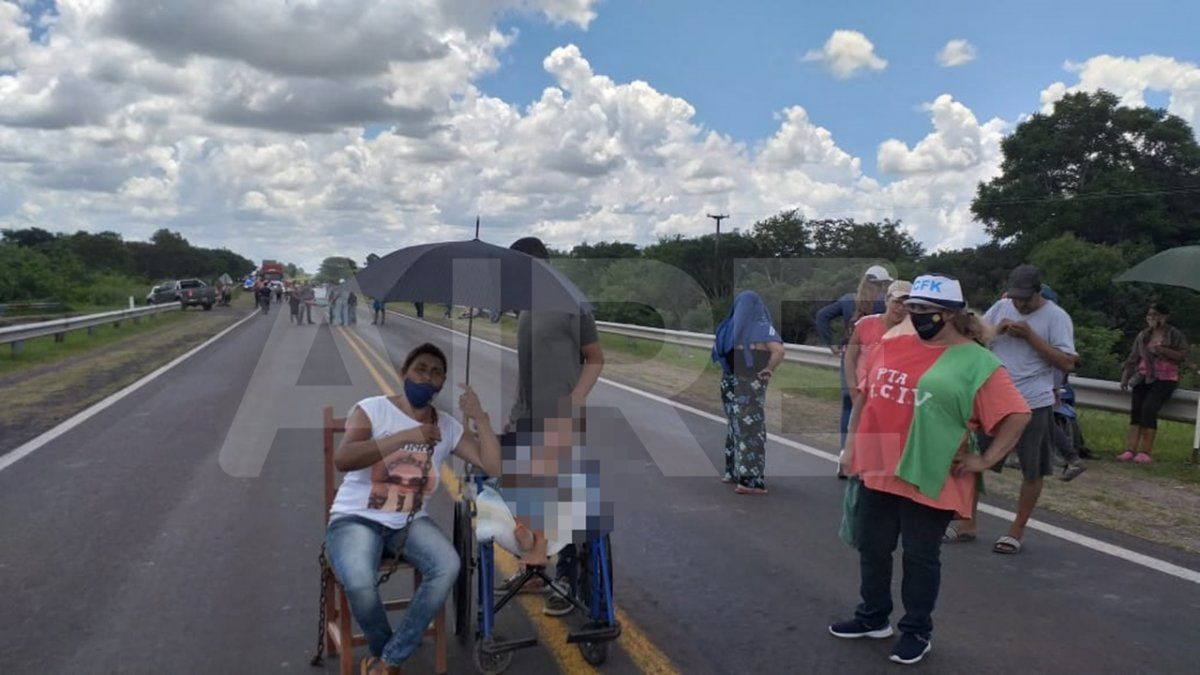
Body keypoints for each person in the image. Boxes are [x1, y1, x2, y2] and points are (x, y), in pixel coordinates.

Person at [833, 273, 1030, 666]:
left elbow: (1017, 414)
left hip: (931, 472)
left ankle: (916, 631)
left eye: (926, 309)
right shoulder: (891, 344)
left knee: (920, 556)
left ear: (952, 314)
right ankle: (873, 616)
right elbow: (866, 400)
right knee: (872, 546)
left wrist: (984, 460)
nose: (916, 315)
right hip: (879, 464)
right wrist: (851, 449)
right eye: (912, 307)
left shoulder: (978, 362)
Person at [326, 343, 501, 675]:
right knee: (360, 581)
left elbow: (492, 465)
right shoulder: (371, 409)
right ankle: (387, 656)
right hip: (355, 518)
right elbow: (343, 459)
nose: (427, 377)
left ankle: (387, 661)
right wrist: (406, 436)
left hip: (409, 523)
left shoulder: (447, 426)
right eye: (420, 369)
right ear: (404, 372)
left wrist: (480, 418)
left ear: (442, 383)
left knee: (448, 564)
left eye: (436, 373)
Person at [496, 235, 606, 617]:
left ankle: (568, 579)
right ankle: (534, 571)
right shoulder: (525, 308)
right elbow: (526, 368)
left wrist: (575, 399)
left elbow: (595, 358)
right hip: (526, 419)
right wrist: (515, 412)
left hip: (560, 420)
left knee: (564, 503)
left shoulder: (571, 302)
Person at [945, 265, 1079, 553]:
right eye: (1015, 297)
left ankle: (1016, 530)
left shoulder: (1056, 317)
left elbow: (1068, 362)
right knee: (970, 459)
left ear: (1038, 292)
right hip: (993, 398)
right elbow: (978, 338)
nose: (1019, 304)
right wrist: (997, 330)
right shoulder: (1002, 306)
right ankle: (967, 521)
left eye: (1025, 299)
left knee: (1033, 468)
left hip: (1034, 401)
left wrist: (1031, 336)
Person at [816, 265, 892, 474]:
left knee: (849, 407)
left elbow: (822, 316)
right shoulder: (884, 304)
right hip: (876, 360)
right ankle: (867, 460)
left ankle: (845, 459)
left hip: (849, 358)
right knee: (873, 408)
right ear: (882, 284)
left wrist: (830, 343)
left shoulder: (848, 300)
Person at [712, 291, 785, 494]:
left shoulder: (727, 327)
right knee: (751, 429)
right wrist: (769, 369)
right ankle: (750, 481)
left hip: (728, 381)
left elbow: (718, 352)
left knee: (734, 425)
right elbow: (779, 351)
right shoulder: (760, 326)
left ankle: (732, 472)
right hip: (750, 383)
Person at [1119, 303, 1188, 464]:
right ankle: (1130, 449)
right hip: (1143, 376)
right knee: (1136, 411)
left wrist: (1163, 350)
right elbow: (1134, 356)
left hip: (1165, 378)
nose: (1152, 318)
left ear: (1164, 317)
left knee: (1149, 409)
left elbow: (1182, 355)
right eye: (1149, 315)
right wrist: (1125, 376)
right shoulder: (1143, 335)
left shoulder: (1174, 334)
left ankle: (1146, 451)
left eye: (1155, 315)